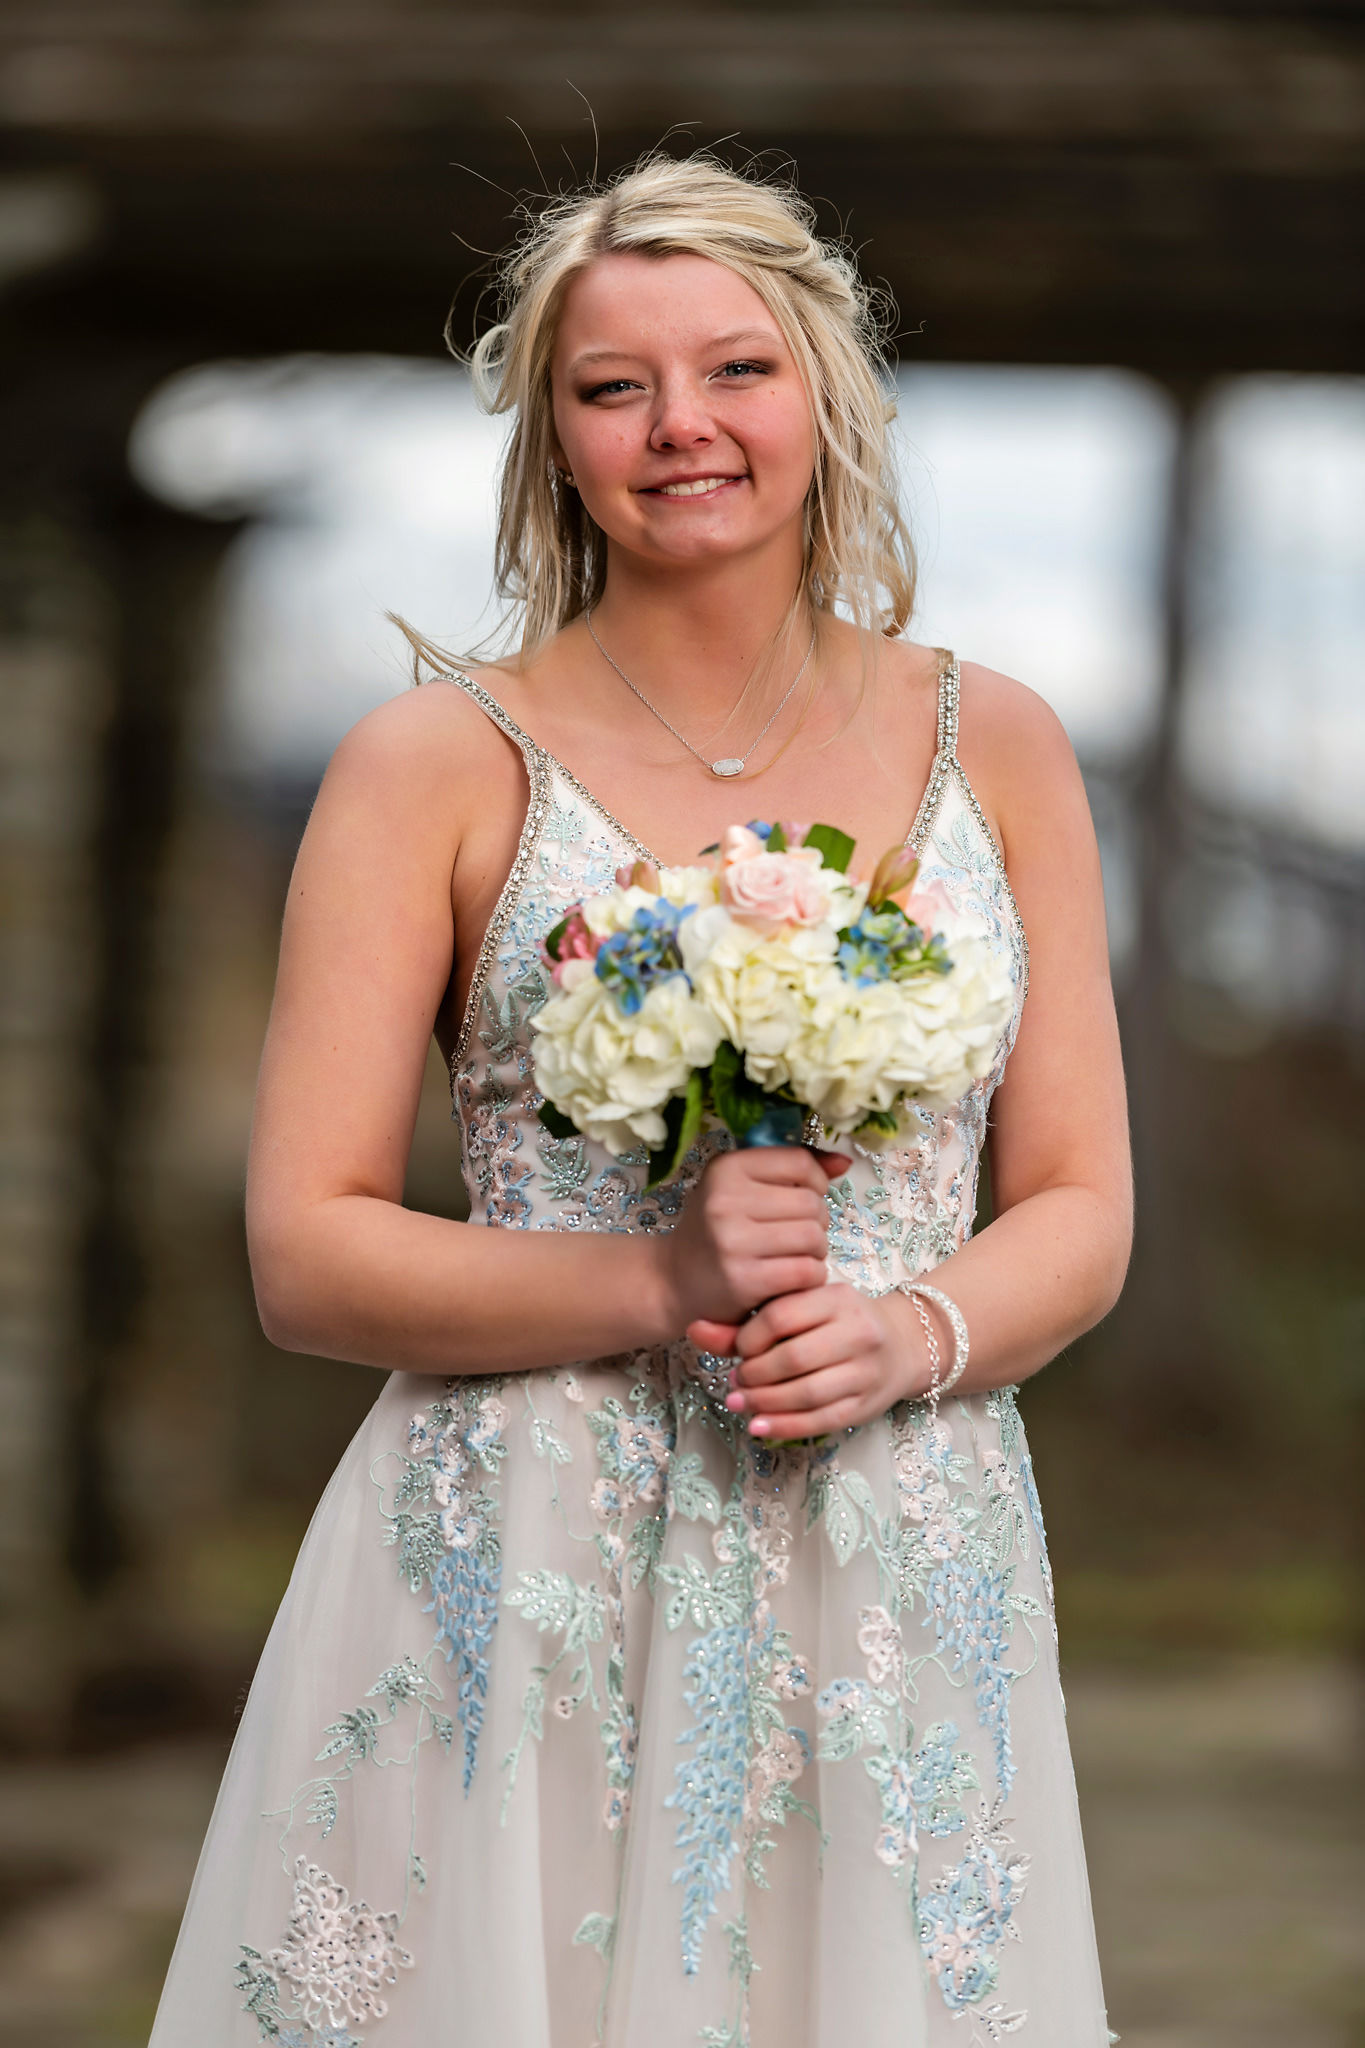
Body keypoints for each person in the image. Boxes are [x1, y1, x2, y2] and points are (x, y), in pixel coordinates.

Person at [149, 153, 1131, 2048]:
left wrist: (913, 1330)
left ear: (825, 398)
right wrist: (646, 1276)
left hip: (888, 1538)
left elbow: (1080, 1200)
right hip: (520, 1556)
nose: (681, 426)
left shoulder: (992, 744)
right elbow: (304, 1252)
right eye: (613, 389)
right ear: (556, 445)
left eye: (734, 371)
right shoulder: (428, 763)